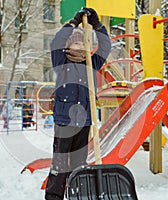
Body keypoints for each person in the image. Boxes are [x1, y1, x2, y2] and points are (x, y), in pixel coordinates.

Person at [44, 8, 111, 200]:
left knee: (78, 163)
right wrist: (72, 23)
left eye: (83, 41)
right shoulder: (61, 61)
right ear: (68, 46)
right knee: (60, 163)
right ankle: (54, 196)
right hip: (64, 121)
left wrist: (97, 26)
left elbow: (105, 46)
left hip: (85, 120)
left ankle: (76, 194)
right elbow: (56, 41)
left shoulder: (91, 64)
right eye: (76, 42)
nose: (80, 45)